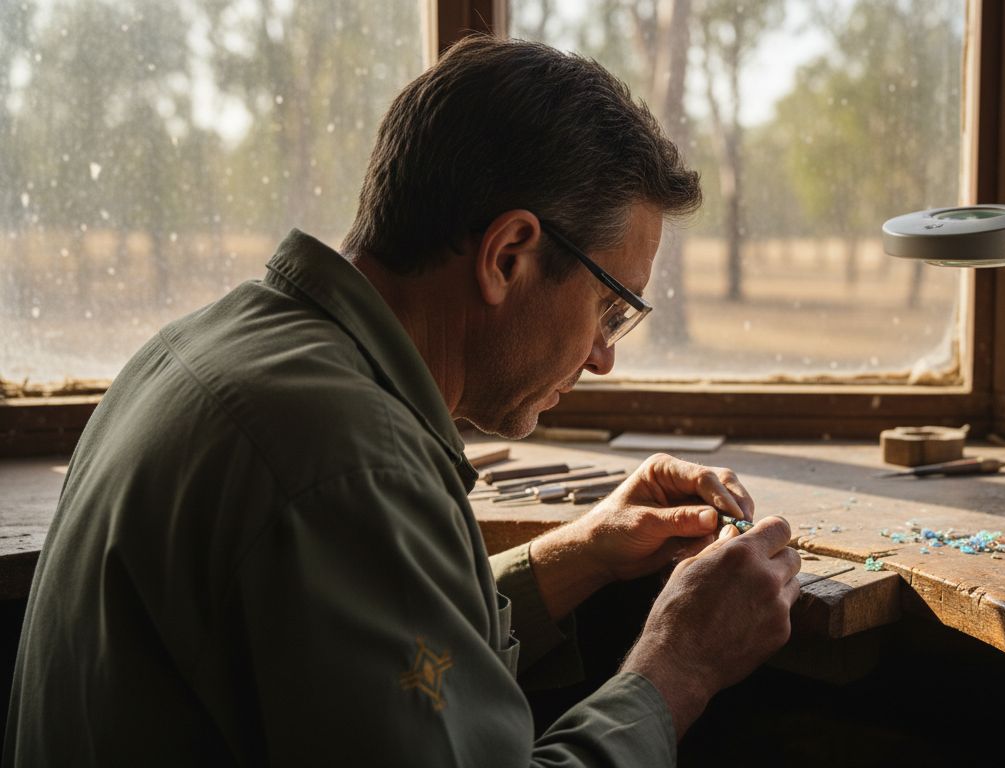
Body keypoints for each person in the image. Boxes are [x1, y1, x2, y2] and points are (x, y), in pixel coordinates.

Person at [4, 34, 801, 766]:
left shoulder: (211, 348)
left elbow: (364, 646)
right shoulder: (347, 462)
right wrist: (680, 662)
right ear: (509, 254)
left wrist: (581, 554)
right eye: (610, 308)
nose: (602, 358)